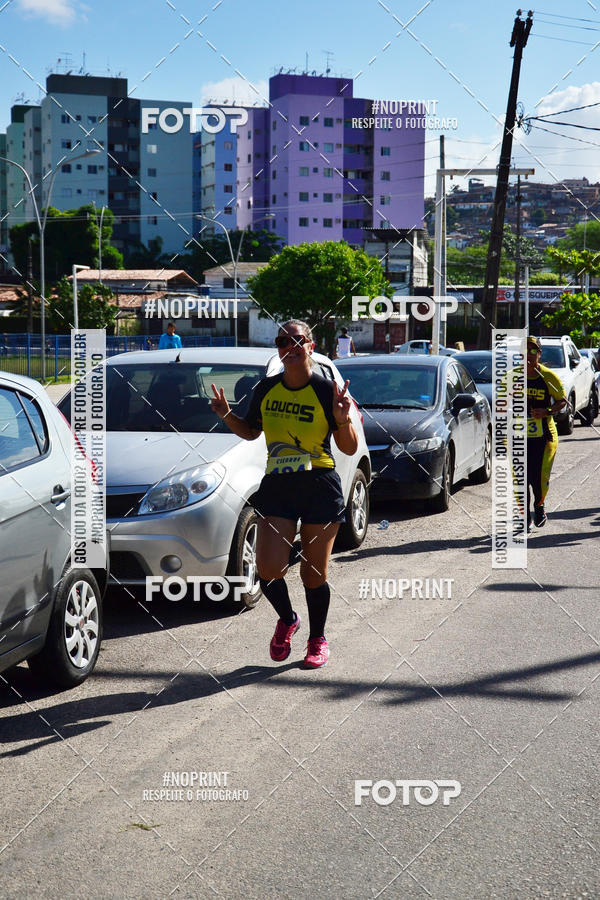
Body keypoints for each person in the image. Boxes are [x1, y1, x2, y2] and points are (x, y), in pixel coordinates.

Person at [210, 319, 358, 668]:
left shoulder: (326, 391)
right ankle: (288, 619)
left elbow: (348, 448)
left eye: (296, 340)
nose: (288, 346)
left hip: (319, 483)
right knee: (268, 568)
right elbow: (250, 432)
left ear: (311, 345)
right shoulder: (266, 389)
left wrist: (342, 418)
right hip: (278, 483)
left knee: (313, 573)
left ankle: (317, 639)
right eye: (282, 341)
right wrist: (228, 415)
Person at [526, 336, 566, 532]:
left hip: (545, 435)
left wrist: (547, 412)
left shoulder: (549, 376)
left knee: (538, 476)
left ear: (539, 354)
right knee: (520, 477)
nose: (528, 354)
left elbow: (563, 401)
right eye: (524, 350)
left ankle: (539, 506)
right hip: (519, 435)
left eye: (533, 351)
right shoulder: (512, 376)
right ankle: (524, 515)